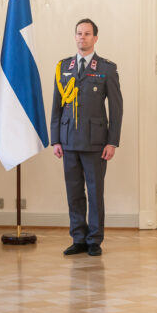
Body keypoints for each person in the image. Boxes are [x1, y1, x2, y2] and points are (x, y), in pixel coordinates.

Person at [50, 19, 123, 257]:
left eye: (87, 34)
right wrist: (56, 139)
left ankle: (94, 240)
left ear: (95, 38)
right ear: (75, 37)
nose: (82, 37)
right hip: (68, 139)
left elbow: (116, 107)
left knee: (94, 192)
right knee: (74, 192)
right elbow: (56, 106)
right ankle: (78, 238)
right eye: (79, 33)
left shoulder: (106, 68)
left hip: (95, 142)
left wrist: (112, 141)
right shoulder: (63, 67)